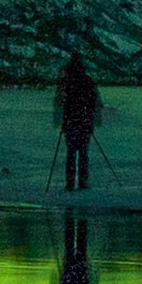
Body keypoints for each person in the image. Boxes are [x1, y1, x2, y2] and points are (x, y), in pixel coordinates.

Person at [53, 50, 102, 191]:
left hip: (70, 122)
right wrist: (93, 120)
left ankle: (69, 182)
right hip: (84, 121)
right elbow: (95, 102)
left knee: (71, 152)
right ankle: (82, 181)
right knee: (83, 152)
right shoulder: (88, 81)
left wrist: (59, 121)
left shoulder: (65, 82)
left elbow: (59, 102)